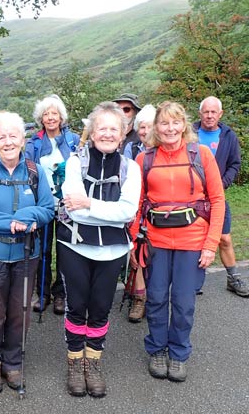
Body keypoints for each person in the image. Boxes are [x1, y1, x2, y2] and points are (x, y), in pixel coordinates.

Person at [130, 101, 225, 383]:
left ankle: (179, 353)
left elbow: (218, 200)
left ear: (184, 125)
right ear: (156, 128)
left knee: (184, 302)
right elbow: (137, 205)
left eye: (175, 122)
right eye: (164, 123)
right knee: (156, 298)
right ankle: (157, 349)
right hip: (156, 241)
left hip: (192, 241)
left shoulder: (202, 154)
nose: (170, 128)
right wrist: (134, 243)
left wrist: (210, 244)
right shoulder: (144, 159)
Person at [57, 102, 141, 398]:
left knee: (101, 309)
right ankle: (74, 362)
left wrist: (90, 203)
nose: (107, 133)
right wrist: (107, 210)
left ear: (123, 134)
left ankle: (93, 364)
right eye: (101, 128)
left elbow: (128, 212)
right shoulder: (73, 163)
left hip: (112, 250)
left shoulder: (131, 168)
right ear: (91, 133)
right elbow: (74, 211)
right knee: (76, 306)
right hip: (75, 246)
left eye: (113, 129)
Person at [0, 111, 54, 393]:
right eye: (1, 136)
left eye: (12, 136)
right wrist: (14, 223)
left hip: (26, 255)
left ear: (22, 139)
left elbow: (48, 209)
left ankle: (13, 361)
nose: (7, 142)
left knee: (21, 311)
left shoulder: (34, 170)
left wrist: (28, 215)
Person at [24, 94, 80, 315]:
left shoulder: (74, 140)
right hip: (44, 204)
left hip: (68, 204)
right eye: (46, 114)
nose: (50, 118)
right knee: (43, 250)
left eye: (54, 113)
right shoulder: (34, 143)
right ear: (41, 118)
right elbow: (27, 170)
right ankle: (43, 292)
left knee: (65, 250)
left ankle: (61, 294)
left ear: (61, 116)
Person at [193, 96, 247, 297]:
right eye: (206, 112)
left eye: (213, 112)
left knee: (224, 238)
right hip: (193, 197)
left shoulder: (228, 136)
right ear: (200, 113)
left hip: (217, 196)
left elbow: (234, 164)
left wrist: (221, 184)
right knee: (194, 239)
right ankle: (193, 282)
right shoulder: (189, 133)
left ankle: (233, 279)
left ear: (220, 114)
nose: (209, 115)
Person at [122, 104, 156, 323]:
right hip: (136, 205)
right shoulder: (131, 149)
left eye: (147, 127)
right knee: (139, 252)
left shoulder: (163, 150)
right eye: (140, 127)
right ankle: (139, 299)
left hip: (158, 209)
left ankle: (156, 298)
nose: (143, 131)